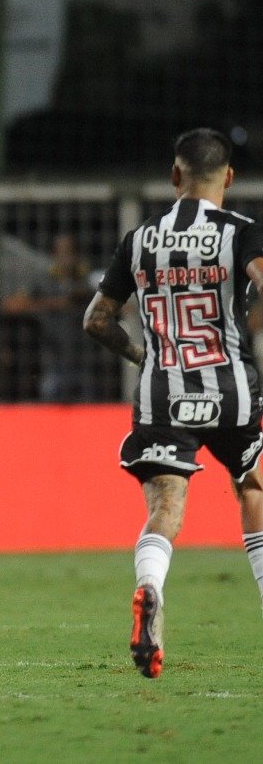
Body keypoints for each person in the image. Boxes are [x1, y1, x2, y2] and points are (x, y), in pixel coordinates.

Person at [83, 128, 263, 679]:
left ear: (174, 176)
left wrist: (146, 357)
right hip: (231, 391)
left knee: (165, 510)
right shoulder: (242, 234)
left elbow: (96, 320)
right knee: (254, 487)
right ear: (228, 178)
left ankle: (150, 587)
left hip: (163, 394)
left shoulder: (139, 239)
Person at [2, 233, 100, 400]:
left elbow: (120, 305)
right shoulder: (44, 281)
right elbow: (11, 305)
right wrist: (54, 304)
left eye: (69, 252)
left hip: (84, 357)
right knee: (51, 399)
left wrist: (85, 299)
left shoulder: (86, 280)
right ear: (53, 255)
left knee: (87, 404)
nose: (66, 258)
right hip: (53, 356)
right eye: (61, 252)